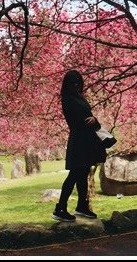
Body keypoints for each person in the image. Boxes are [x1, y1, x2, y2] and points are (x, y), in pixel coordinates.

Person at [53, 69, 107, 222]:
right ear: (68, 85)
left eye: (79, 83)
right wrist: (89, 120)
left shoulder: (79, 97)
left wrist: (94, 120)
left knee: (83, 173)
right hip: (78, 140)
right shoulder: (68, 99)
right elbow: (77, 119)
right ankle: (60, 208)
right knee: (75, 174)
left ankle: (82, 206)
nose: (77, 86)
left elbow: (88, 117)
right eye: (74, 83)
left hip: (86, 139)